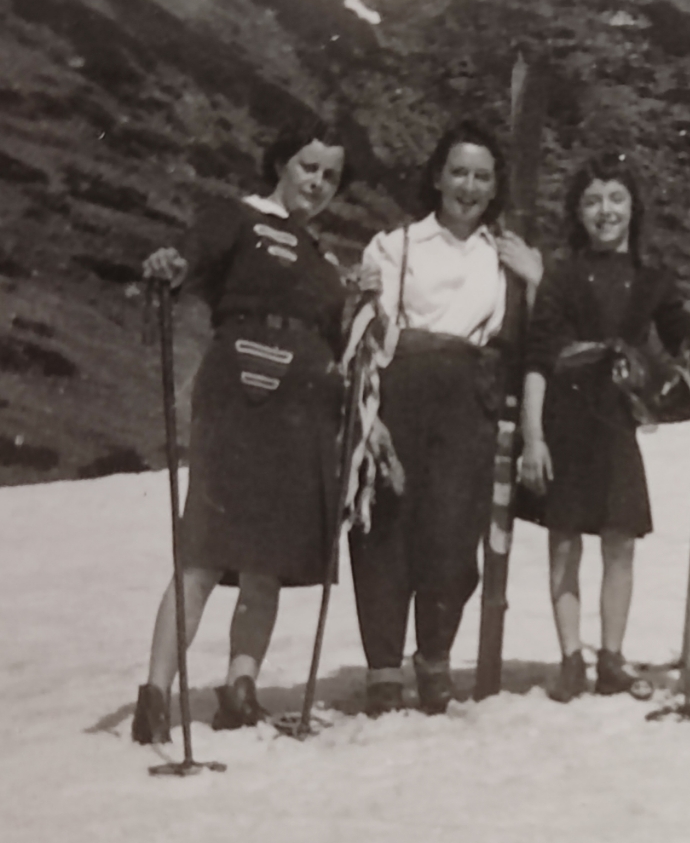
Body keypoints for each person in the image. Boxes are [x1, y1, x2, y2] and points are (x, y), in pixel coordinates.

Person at [132, 127, 349, 744]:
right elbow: (190, 257)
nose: (318, 183)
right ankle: (155, 693)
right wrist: (172, 265)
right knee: (206, 546)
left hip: (303, 406)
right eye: (309, 167)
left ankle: (240, 687)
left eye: (331, 176)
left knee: (267, 559)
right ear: (281, 163)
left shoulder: (321, 253)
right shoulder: (241, 218)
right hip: (242, 388)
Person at [349, 121, 542, 716]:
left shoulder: (504, 255)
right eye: (458, 172)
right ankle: (383, 666)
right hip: (400, 384)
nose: (469, 186)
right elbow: (366, 330)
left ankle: (434, 658)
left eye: (483, 176)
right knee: (385, 523)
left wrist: (536, 280)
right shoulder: (396, 244)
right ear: (437, 177)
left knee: (453, 530)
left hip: (469, 394)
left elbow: (531, 337)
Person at [520, 152, 690, 702]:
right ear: (577, 211)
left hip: (617, 418)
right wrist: (532, 438)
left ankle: (612, 657)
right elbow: (538, 361)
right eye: (592, 200)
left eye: (616, 198)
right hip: (567, 416)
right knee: (565, 541)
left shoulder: (652, 278)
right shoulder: (561, 276)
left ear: (633, 207)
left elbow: (687, 337)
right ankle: (572, 658)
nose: (605, 210)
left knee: (620, 542)